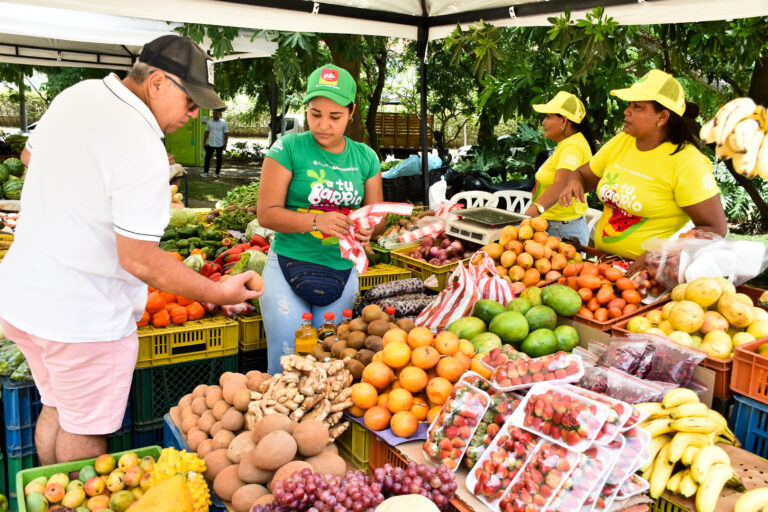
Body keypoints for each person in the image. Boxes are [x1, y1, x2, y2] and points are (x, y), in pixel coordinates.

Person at [0, 35, 261, 465]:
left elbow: (31, 156)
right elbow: (138, 258)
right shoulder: (141, 145)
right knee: (84, 430)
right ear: (157, 82)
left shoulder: (77, 95)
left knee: (58, 408)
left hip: (26, 297)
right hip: (82, 316)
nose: (194, 114)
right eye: (191, 102)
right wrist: (220, 293)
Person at [257, 64, 383, 374]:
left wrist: (370, 228)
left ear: (351, 112)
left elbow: (376, 214)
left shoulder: (365, 157)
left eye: (335, 116)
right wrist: (317, 221)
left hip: (341, 270)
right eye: (315, 114)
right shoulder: (287, 147)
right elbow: (266, 213)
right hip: (287, 265)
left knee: (328, 364)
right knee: (286, 365)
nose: (323, 125)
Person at [559, 69, 727, 268]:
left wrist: (659, 254)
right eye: (630, 105)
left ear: (662, 117)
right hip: (605, 265)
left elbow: (715, 228)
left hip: (649, 277)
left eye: (637, 106)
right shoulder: (622, 141)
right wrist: (574, 182)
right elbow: (582, 175)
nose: (626, 111)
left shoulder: (688, 163)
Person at [526, 91, 595, 245]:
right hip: (553, 226)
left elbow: (562, 184)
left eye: (548, 117)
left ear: (564, 120)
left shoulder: (572, 146)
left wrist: (529, 215)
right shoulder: (568, 144)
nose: (543, 122)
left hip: (561, 231)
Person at [203, 108, 229, 178]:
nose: (214, 114)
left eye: (216, 113)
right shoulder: (209, 122)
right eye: (213, 113)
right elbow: (206, 132)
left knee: (219, 159)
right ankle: (205, 172)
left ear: (219, 113)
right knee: (207, 158)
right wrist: (204, 142)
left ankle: (217, 173)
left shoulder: (223, 123)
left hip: (219, 144)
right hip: (211, 143)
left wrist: (225, 144)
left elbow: (226, 134)